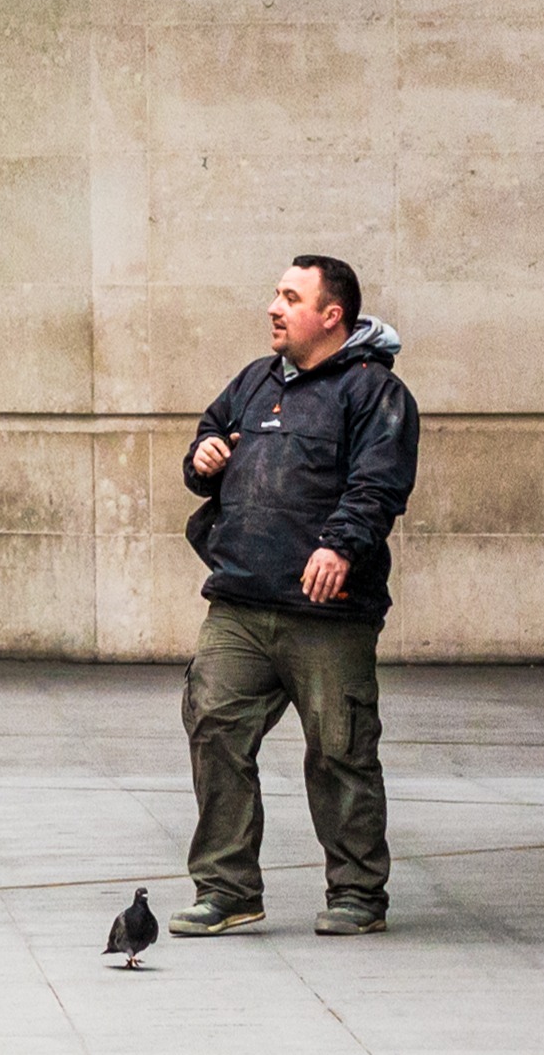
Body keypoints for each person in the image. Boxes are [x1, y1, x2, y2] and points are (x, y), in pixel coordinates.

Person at [171, 253, 419, 940]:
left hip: (327, 613)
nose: (273, 308)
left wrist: (337, 545)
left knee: (339, 750)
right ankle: (225, 890)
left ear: (330, 315)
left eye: (289, 297)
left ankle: (356, 893)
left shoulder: (373, 394)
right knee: (213, 729)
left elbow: (377, 485)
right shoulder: (255, 381)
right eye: (276, 294)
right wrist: (203, 458)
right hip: (240, 599)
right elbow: (205, 436)